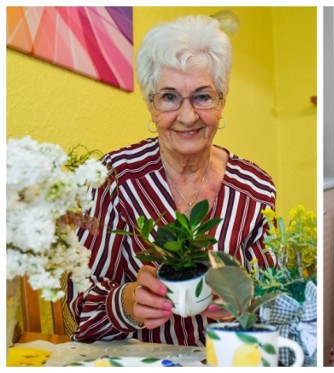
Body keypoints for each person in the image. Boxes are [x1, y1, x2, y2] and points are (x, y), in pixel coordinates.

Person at [67, 15, 277, 346]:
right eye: (168, 97)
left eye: (202, 96)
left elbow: (277, 299)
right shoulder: (114, 178)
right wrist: (126, 303)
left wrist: (245, 300)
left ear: (222, 100)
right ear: (150, 103)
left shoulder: (255, 189)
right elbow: (79, 312)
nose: (187, 116)